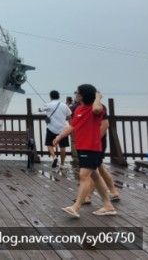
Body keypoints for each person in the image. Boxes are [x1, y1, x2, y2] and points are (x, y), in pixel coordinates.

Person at [53, 84, 117, 217]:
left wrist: (97, 97)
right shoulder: (78, 109)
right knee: (95, 176)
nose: (75, 94)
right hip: (82, 147)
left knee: (83, 175)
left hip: (92, 148)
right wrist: (59, 137)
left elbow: (98, 108)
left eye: (77, 92)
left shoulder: (96, 109)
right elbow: (72, 126)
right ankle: (108, 205)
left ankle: (76, 207)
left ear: (83, 95)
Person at [38, 91, 72, 169]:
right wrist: (64, 118)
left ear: (50, 96)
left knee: (49, 144)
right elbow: (69, 116)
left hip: (51, 128)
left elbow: (40, 110)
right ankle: (62, 164)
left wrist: (41, 109)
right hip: (63, 129)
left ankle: (54, 157)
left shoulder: (48, 105)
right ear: (58, 96)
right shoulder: (64, 105)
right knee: (63, 146)